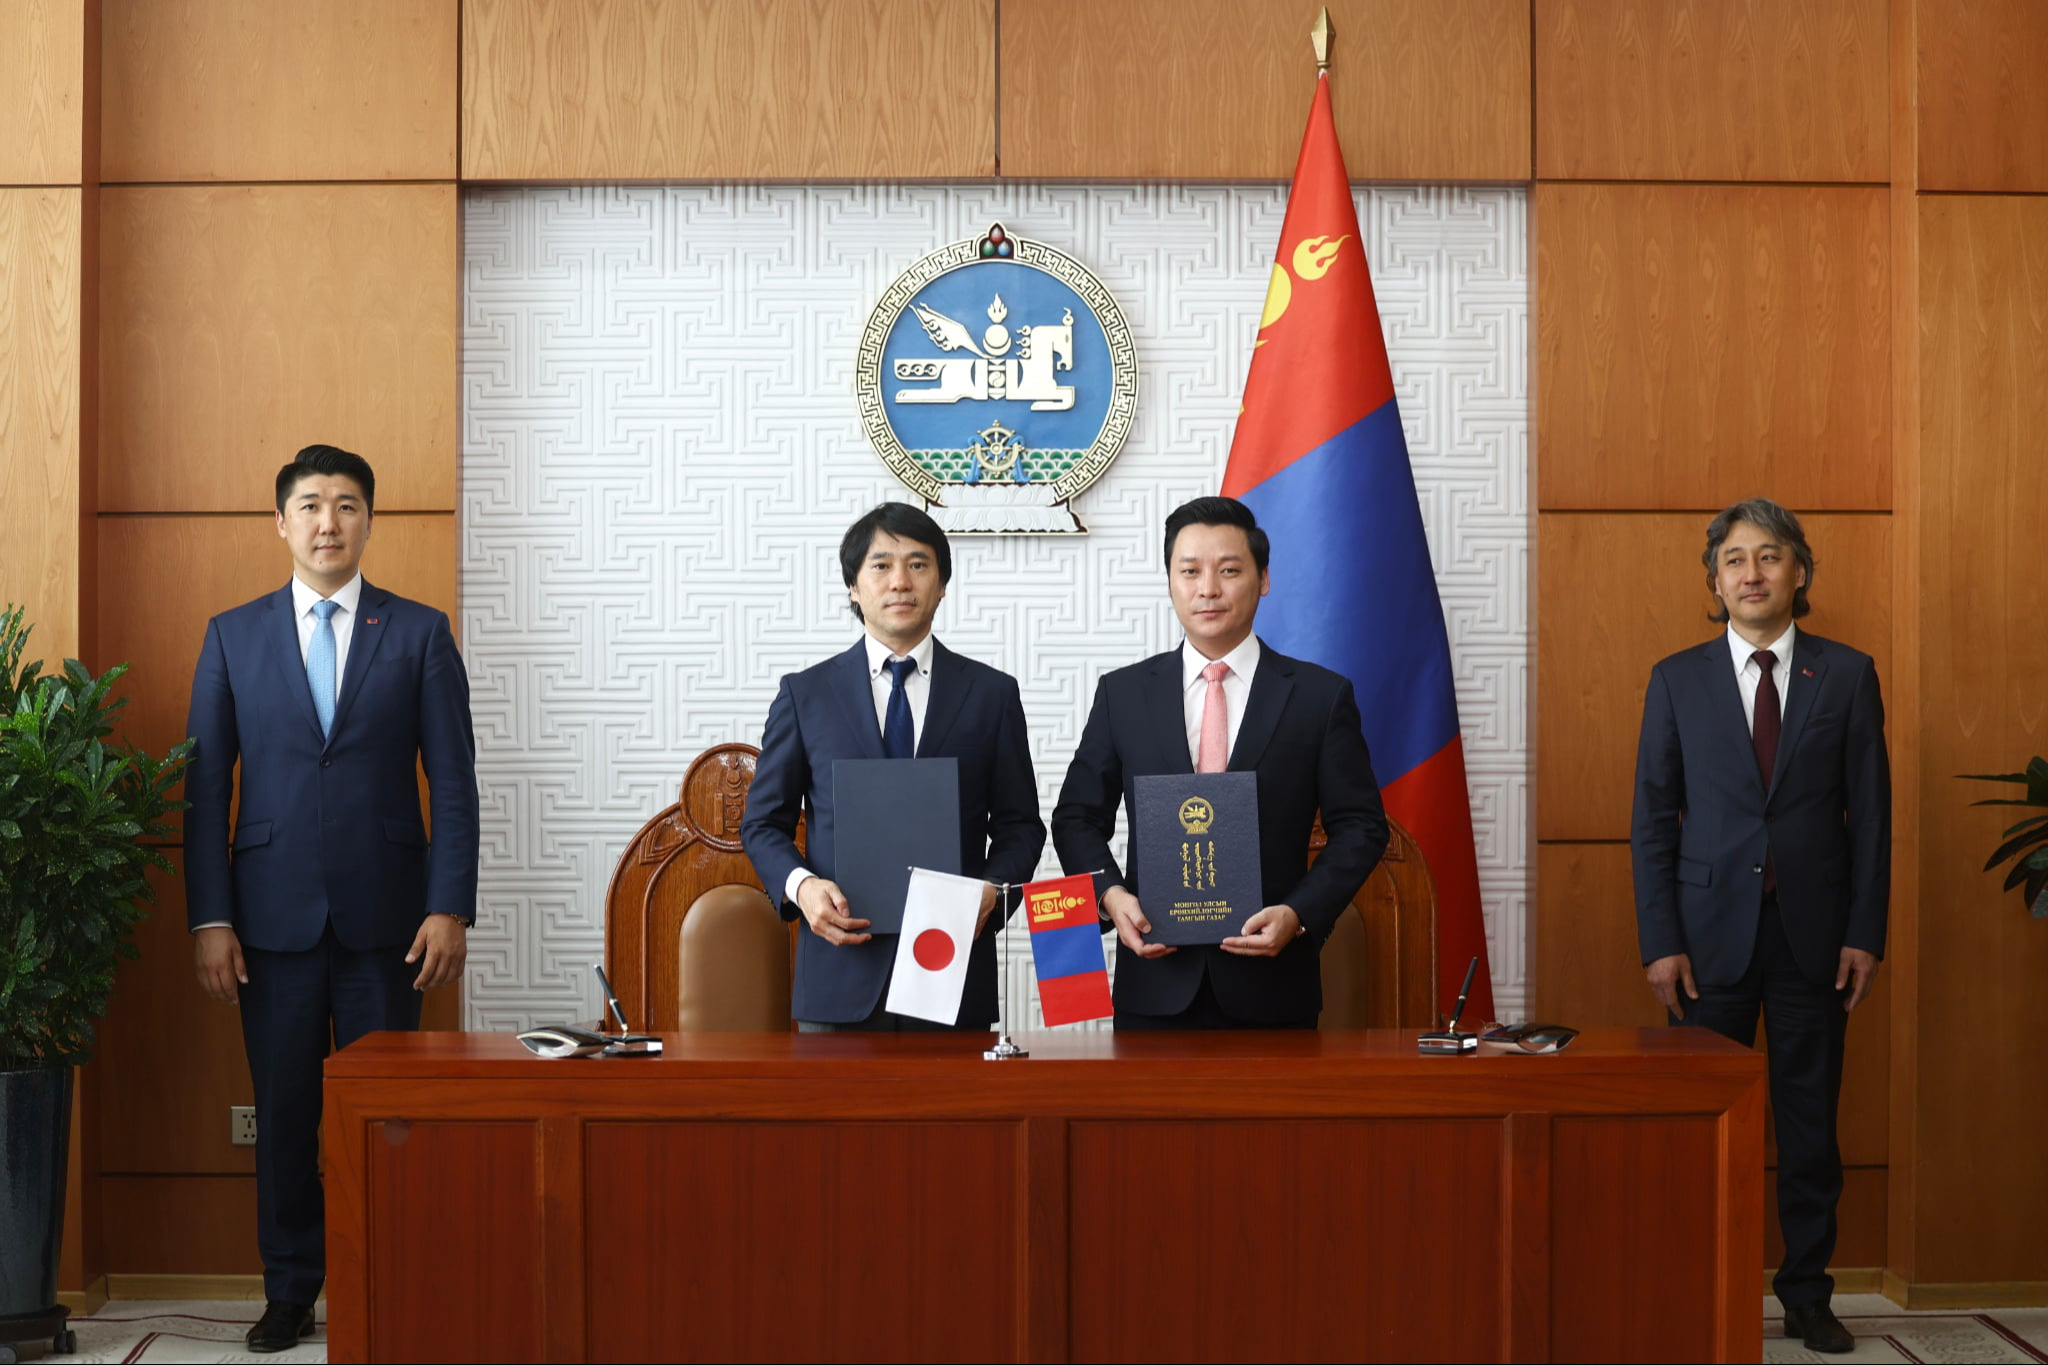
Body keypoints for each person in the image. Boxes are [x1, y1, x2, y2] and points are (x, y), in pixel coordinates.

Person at [184, 444, 479, 1353]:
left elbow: (453, 783)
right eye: (310, 505)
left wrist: (450, 905)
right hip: (266, 922)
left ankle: (386, 1279)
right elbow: (204, 790)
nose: (327, 522)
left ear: (368, 522)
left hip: (390, 922)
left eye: (346, 505)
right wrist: (210, 916)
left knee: (390, 1118)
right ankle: (290, 1290)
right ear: (281, 522)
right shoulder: (232, 635)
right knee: (283, 1116)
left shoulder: (419, 632)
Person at [1631, 497, 1889, 1356]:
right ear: (1715, 580)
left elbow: (1872, 816)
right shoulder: (1676, 678)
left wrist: (1866, 931)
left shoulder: (1846, 674)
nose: (1752, 573)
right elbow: (1652, 818)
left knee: (1810, 1128)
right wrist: (1660, 940)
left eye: (1770, 556)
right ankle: (1699, 1288)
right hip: (1705, 944)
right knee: (1700, 1127)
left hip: (1816, 938)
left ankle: (1807, 1295)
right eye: (1735, 559)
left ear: (1799, 571)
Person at [1050, 495, 1387, 1029]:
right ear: (1170, 581)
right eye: (1190, 571)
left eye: (1229, 570)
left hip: (1274, 986)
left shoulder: (1320, 697)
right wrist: (1109, 896)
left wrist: (1299, 914)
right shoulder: (1123, 694)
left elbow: (1362, 826)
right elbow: (1076, 817)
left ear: (1263, 578)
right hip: (1153, 982)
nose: (1208, 588)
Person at [741, 502, 1045, 1030]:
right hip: (840, 976)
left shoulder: (991, 695)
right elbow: (763, 823)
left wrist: (992, 891)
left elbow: (1020, 827)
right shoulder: (806, 695)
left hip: (953, 974)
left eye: (918, 564)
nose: (900, 581)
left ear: (942, 584)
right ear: (853, 588)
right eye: (881, 565)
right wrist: (802, 888)